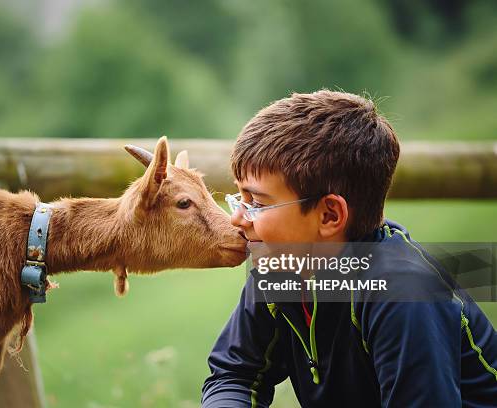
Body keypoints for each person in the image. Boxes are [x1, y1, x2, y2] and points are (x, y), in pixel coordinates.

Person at [201, 90, 497, 407]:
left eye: (257, 203)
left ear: (330, 215)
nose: (237, 218)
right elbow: (234, 375)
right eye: (240, 198)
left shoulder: (404, 296)